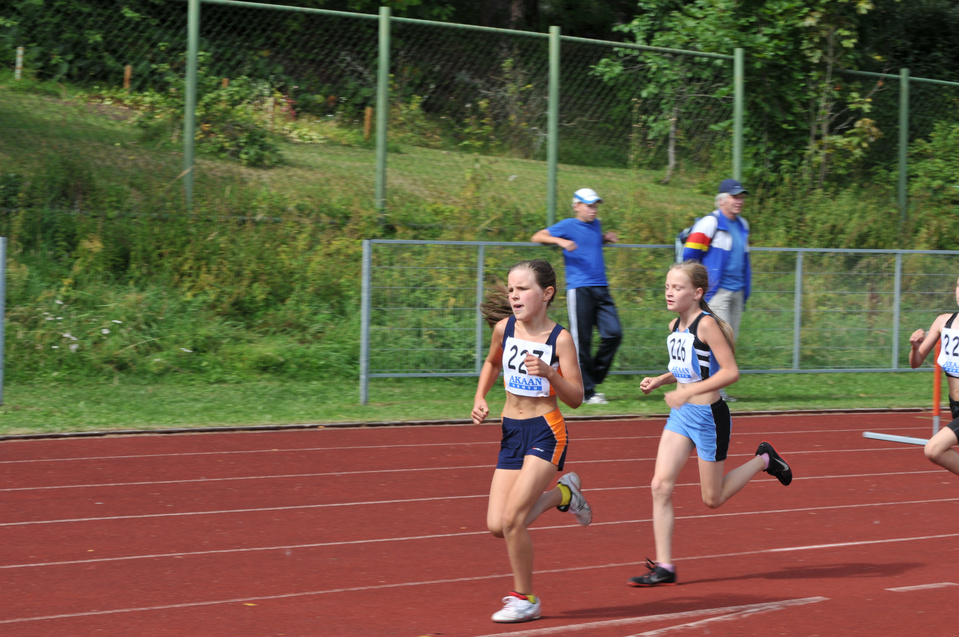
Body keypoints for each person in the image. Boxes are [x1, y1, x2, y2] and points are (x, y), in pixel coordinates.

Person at [628, 261, 791, 587]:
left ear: (697, 292)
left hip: (708, 419)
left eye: (677, 287)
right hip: (681, 416)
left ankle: (764, 459)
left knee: (712, 499)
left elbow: (730, 372)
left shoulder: (706, 325)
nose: (669, 292)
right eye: (667, 286)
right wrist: (660, 380)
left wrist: (686, 392)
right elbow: (686, 367)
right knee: (660, 486)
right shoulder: (675, 325)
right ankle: (665, 566)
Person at [472, 258, 593, 623]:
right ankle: (564, 495)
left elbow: (576, 397)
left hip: (546, 431)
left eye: (523, 288)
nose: (514, 295)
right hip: (511, 430)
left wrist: (551, 374)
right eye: (511, 289)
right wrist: (480, 397)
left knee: (513, 520)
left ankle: (525, 598)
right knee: (498, 525)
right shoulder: (505, 328)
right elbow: (492, 363)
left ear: (547, 293)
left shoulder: (560, 339)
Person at [532, 188, 622, 405]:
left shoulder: (596, 224)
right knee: (582, 341)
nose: (593, 210)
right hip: (579, 289)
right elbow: (537, 236)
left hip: (601, 288)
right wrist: (560, 241)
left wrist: (604, 239)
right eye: (589, 206)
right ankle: (586, 392)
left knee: (614, 334)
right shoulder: (567, 225)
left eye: (595, 206)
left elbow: (589, 242)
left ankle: (592, 376)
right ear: (576, 206)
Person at [681, 178, 752, 402]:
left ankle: (714, 389)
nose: (739, 201)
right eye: (734, 197)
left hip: (737, 291)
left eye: (741, 197)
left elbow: (745, 259)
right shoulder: (710, 223)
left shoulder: (743, 225)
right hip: (716, 292)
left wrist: (746, 289)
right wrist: (699, 286)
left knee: (728, 343)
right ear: (721, 201)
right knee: (716, 342)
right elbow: (689, 255)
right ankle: (708, 390)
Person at [909, 275, 959, 476]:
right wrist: (915, 347)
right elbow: (915, 362)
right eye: (958, 285)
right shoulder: (943, 322)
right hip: (955, 406)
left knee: (934, 449)